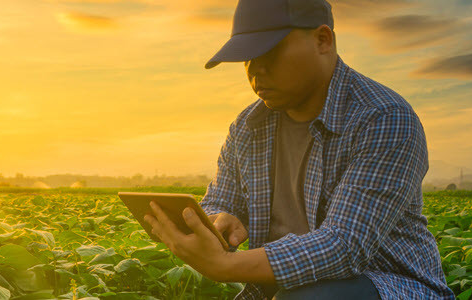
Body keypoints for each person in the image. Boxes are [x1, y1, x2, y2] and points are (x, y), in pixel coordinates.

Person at [138, 0, 454, 298]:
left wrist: (225, 265)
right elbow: (219, 199)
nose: (255, 70)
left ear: (322, 40)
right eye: (246, 57)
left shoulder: (383, 117)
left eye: (269, 52)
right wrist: (219, 220)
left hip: (390, 287)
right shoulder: (249, 126)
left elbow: (344, 246)